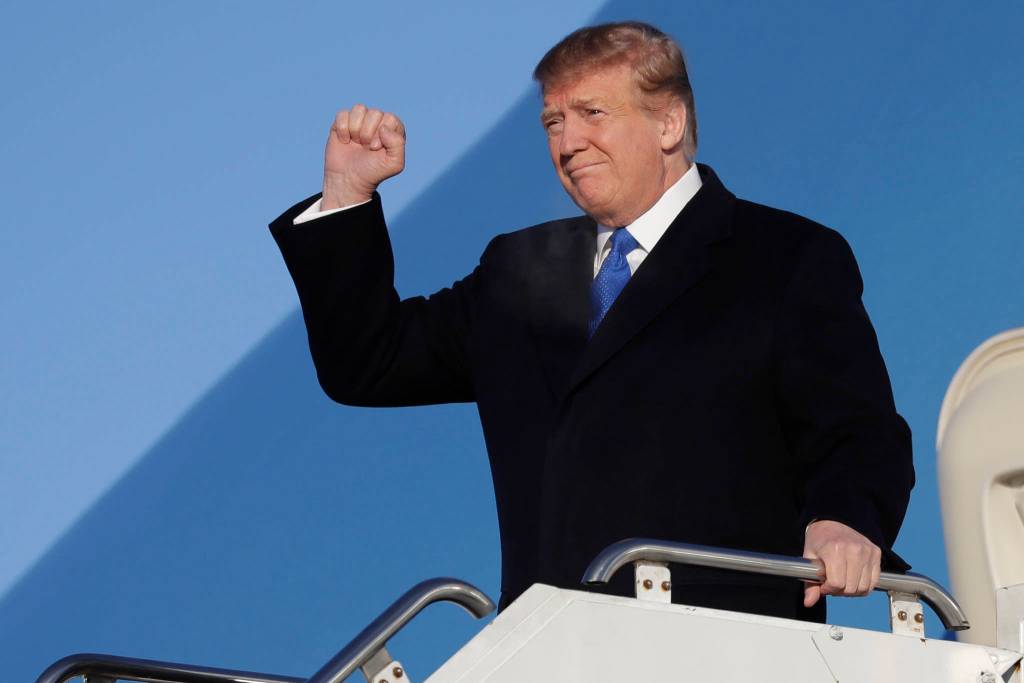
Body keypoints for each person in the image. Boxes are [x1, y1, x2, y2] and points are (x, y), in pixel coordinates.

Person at [270, 21, 914, 621]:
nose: (567, 142)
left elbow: (856, 428)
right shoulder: (515, 269)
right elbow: (368, 364)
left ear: (668, 121)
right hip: (555, 648)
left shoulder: (784, 257)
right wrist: (347, 195)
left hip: (728, 642)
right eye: (552, 122)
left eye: (591, 114)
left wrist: (844, 519)